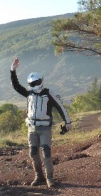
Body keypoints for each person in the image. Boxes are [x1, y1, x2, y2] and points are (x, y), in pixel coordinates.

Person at [10, 58, 71, 187]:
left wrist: (67, 122)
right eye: (32, 83)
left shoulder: (49, 94)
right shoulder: (29, 94)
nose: (35, 85)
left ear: (41, 81)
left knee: (46, 151)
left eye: (36, 82)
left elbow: (60, 107)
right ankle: (39, 176)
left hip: (45, 129)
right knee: (33, 153)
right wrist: (13, 70)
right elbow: (16, 86)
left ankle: (50, 178)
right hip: (31, 128)